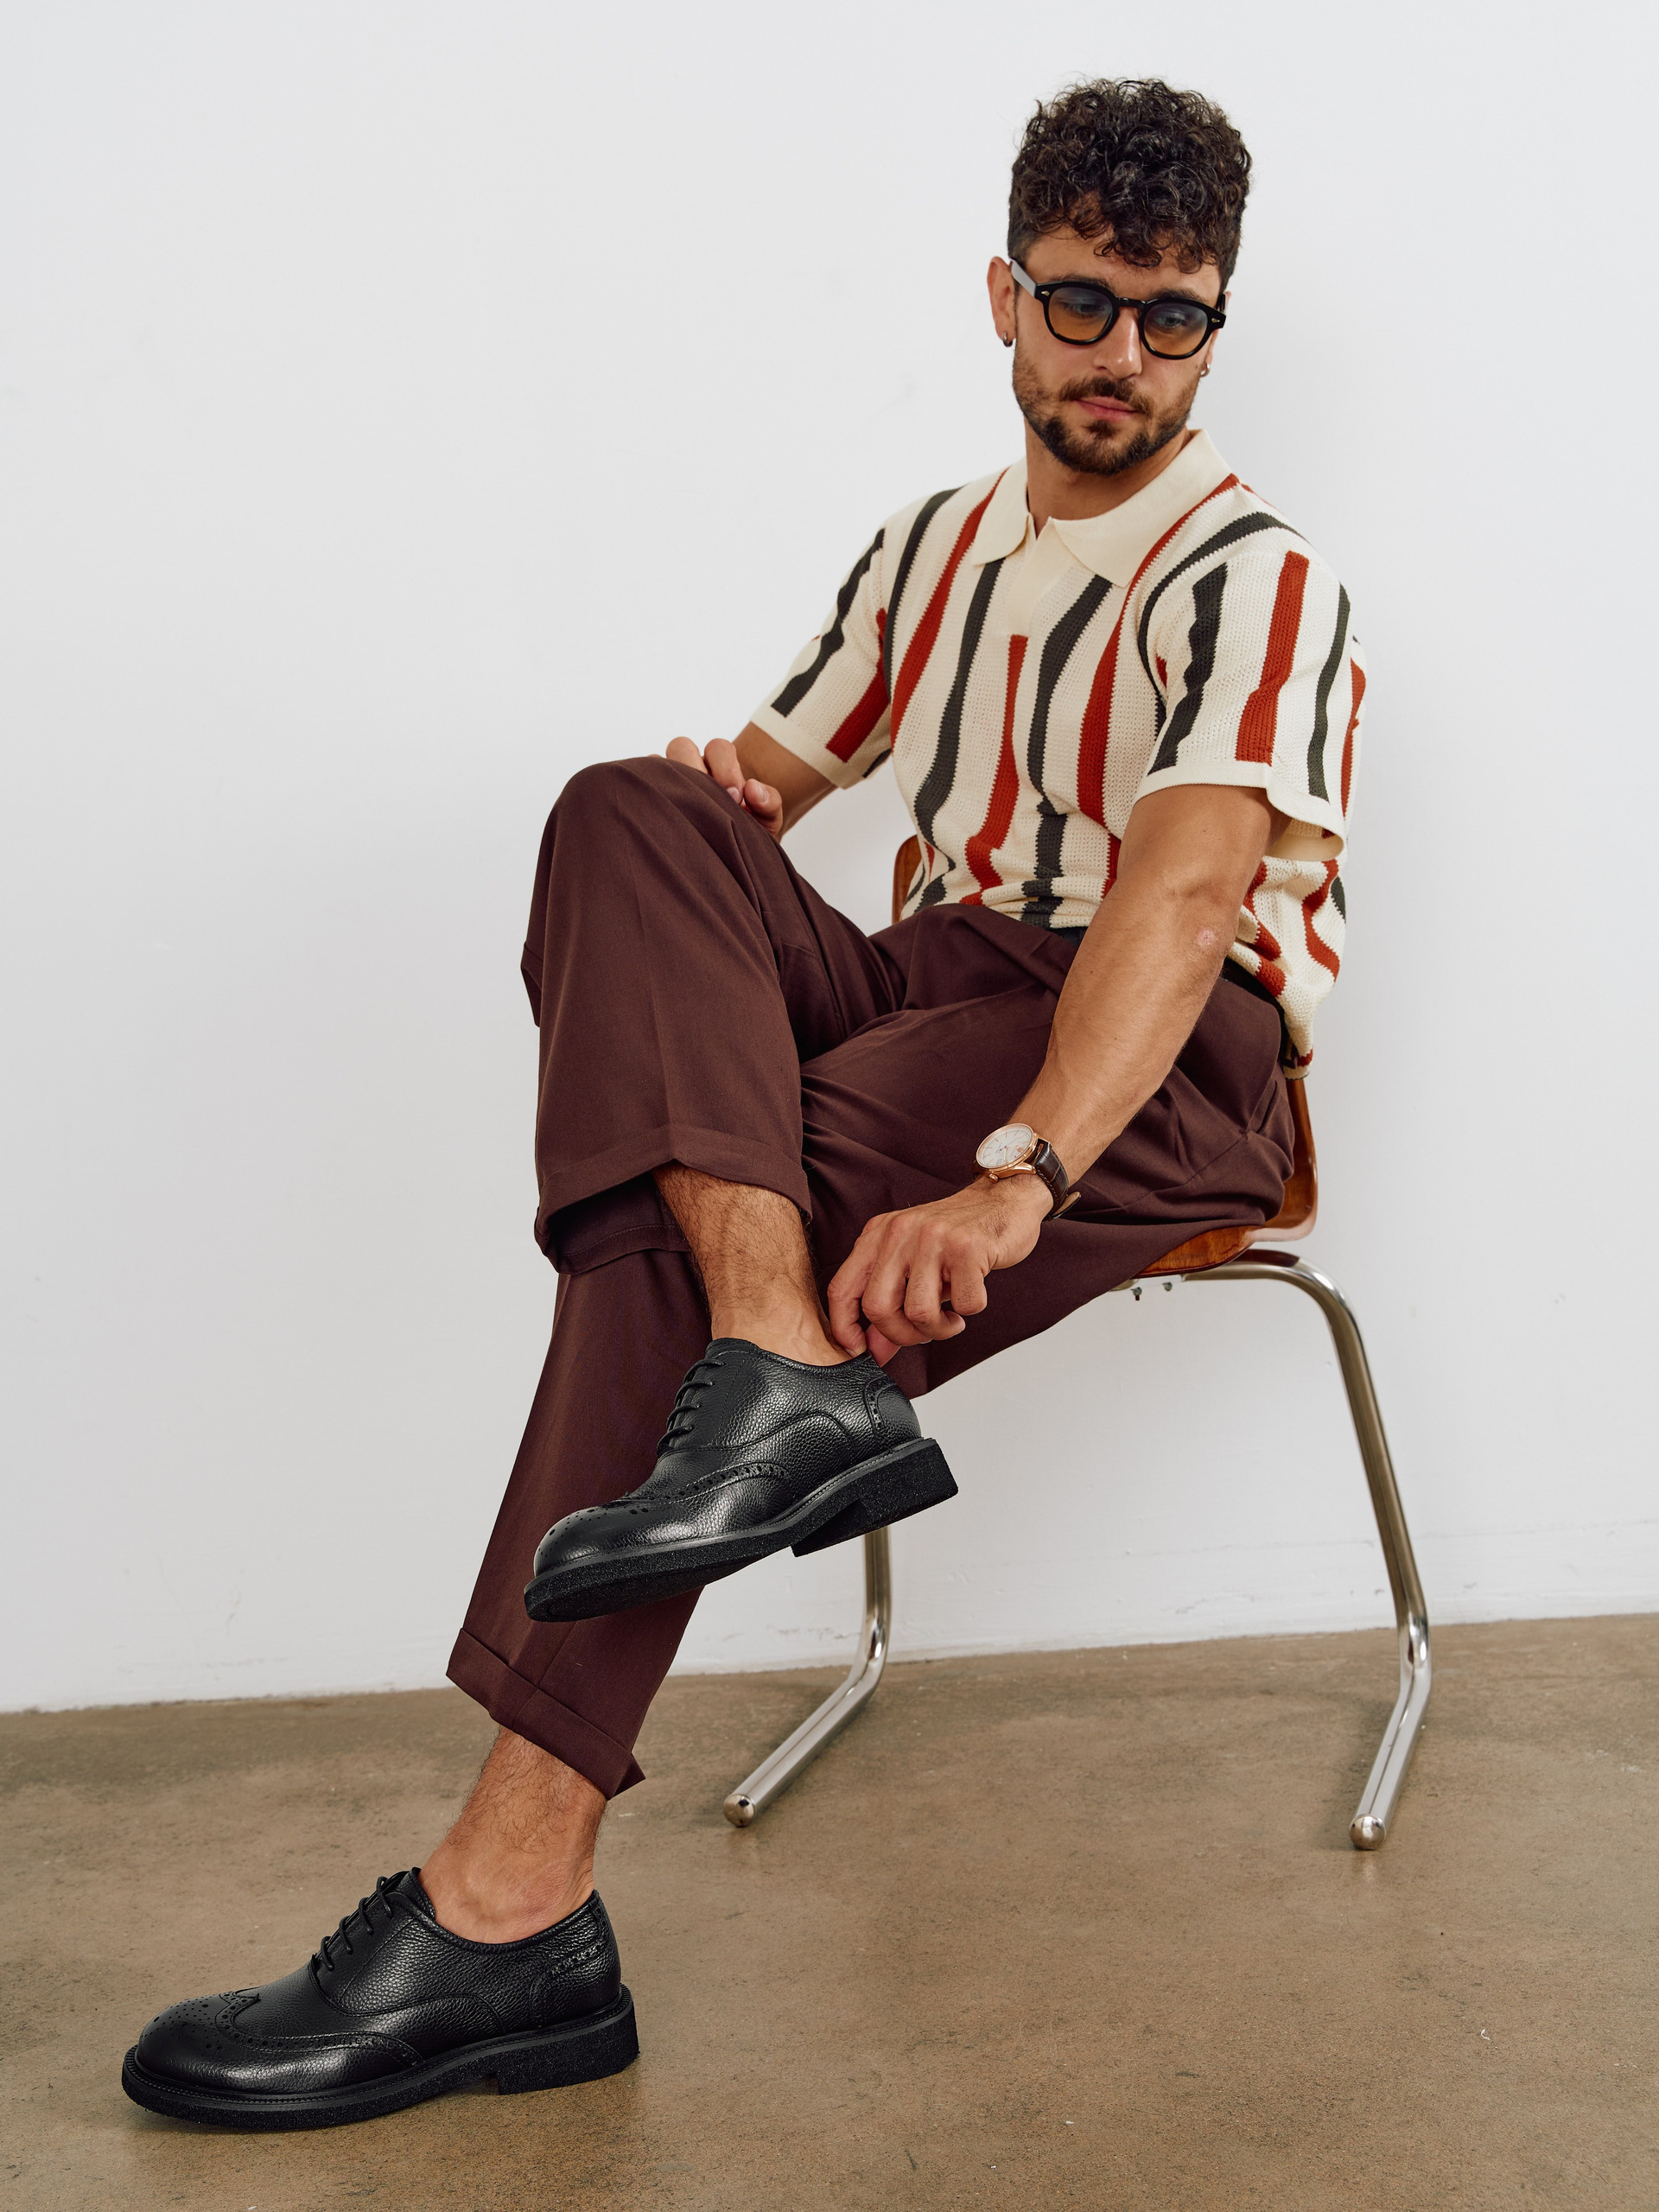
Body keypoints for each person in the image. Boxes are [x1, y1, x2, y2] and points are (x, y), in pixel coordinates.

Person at [123, 76, 1363, 2130]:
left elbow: (1181, 897)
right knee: (624, 811)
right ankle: (777, 1350)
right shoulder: (932, 551)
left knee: (678, 1222)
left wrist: (1020, 1172)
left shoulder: (1259, 577)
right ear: (1005, 295)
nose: (1123, 358)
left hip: (1156, 1059)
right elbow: (750, 796)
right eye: (1082, 302)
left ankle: (508, 1895)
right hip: (937, 974)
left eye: (1173, 318)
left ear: (1213, 326)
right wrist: (705, 836)